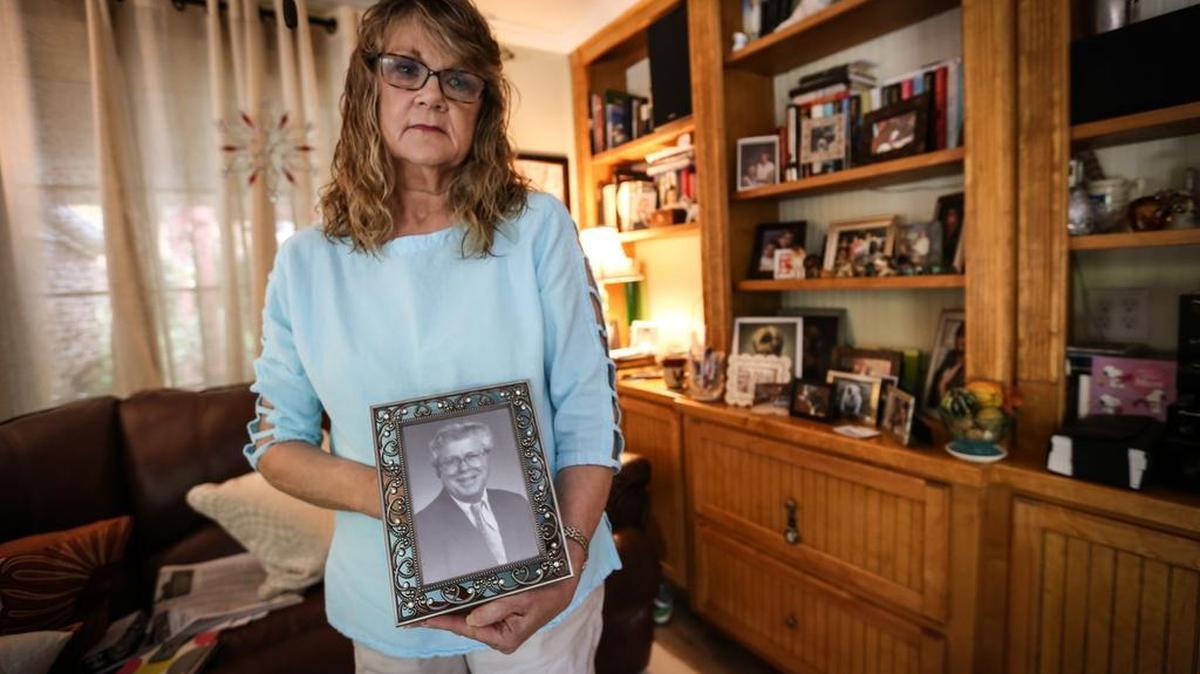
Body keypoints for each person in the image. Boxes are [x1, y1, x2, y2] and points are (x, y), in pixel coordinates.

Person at [242, 1, 621, 671]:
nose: (432, 95)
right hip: (387, 599)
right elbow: (277, 444)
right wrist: (405, 497)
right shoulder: (306, 264)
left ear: (482, 107)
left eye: (459, 79)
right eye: (407, 68)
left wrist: (571, 555)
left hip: (543, 581)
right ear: (367, 87)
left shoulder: (537, 227)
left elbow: (590, 411)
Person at [413, 421, 539, 585]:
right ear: (438, 470)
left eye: (472, 456)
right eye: (451, 461)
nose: (464, 468)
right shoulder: (421, 528)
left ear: (486, 458)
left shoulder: (517, 504)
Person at [927, 322, 966, 409]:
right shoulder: (951, 355)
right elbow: (938, 378)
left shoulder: (971, 366)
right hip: (939, 406)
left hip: (951, 409)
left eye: (963, 344)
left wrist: (942, 384)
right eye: (957, 341)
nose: (959, 347)